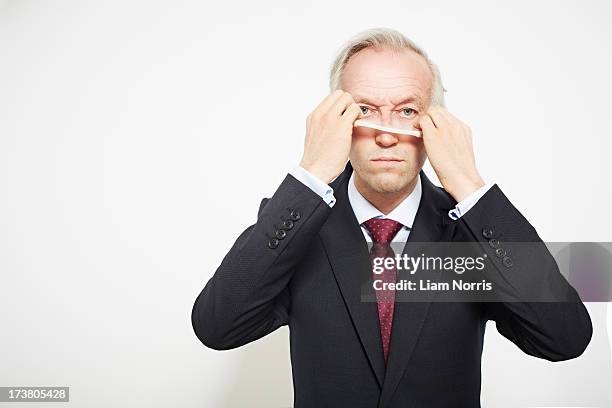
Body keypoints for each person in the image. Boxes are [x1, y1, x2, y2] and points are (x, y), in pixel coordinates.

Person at [191, 27, 592, 407]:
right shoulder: (296, 225)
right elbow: (217, 326)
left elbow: (565, 338)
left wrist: (470, 186)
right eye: (364, 109)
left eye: (406, 111)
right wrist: (311, 172)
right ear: (337, 121)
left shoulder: (468, 233)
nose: (385, 135)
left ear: (436, 123)